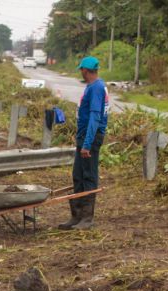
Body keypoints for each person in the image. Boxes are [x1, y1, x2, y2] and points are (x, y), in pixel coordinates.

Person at [59, 56, 109, 230]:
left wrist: (87, 144)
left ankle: (87, 219)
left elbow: (95, 117)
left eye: (81, 69)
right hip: (84, 138)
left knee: (88, 176)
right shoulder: (92, 87)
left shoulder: (96, 88)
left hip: (91, 138)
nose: (81, 72)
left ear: (86, 70)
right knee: (78, 176)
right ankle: (76, 216)